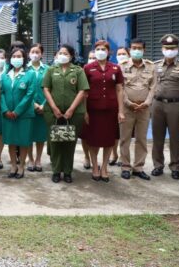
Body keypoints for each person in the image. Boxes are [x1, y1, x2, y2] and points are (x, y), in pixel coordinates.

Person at [43, 44, 89, 184]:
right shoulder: (51, 70)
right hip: (53, 113)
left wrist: (71, 110)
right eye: (60, 53)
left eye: (66, 53)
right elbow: (46, 89)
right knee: (55, 142)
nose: (62, 55)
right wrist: (54, 107)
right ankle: (56, 171)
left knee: (69, 142)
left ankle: (68, 171)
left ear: (71, 56)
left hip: (74, 114)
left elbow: (82, 91)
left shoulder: (78, 71)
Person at [83, 40, 125, 182]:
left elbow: (119, 90)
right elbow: (84, 92)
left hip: (110, 110)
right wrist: (85, 111)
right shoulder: (88, 68)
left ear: (109, 52)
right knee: (93, 140)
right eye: (98, 49)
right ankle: (95, 166)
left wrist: (121, 110)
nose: (100, 51)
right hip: (93, 110)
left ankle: (105, 167)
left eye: (103, 49)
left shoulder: (115, 68)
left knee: (109, 140)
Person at [151, 34, 179, 180]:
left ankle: (175, 167)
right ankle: (158, 165)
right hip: (157, 104)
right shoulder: (155, 65)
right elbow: (150, 85)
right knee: (157, 137)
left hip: (175, 105)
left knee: (175, 138)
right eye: (167, 48)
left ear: (177, 49)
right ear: (162, 48)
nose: (169, 50)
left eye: (172, 48)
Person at [118, 38, 155, 180]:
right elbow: (120, 87)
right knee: (125, 138)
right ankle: (125, 167)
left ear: (144, 50)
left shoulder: (151, 67)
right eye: (134, 48)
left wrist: (147, 102)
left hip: (144, 108)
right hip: (127, 108)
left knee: (141, 139)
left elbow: (153, 87)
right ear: (130, 49)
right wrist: (127, 102)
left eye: (139, 48)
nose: (136, 50)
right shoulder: (122, 66)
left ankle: (138, 167)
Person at [0, 48, 35, 178]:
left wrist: (17, 111)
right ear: (10, 58)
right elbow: (1, 93)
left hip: (24, 115)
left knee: (23, 141)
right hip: (7, 114)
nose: (16, 58)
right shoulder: (5, 75)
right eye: (14, 56)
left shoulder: (30, 74)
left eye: (19, 56)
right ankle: (13, 165)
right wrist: (5, 110)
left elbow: (30, 94)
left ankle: (21, 167)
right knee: (11, 140)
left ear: (24, 58)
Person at [26, 43, 48, 172]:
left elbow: (51, 89)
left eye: (37, 52)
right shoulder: (24, 69)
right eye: (32, 51)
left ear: (41, 54)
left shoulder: (48, 69)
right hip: (28, 107)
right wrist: (33, 104)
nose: (35, 54)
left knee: (40, 135)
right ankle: (30, 159)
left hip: (44, 107)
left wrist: (44, 104)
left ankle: (38, 159)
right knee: (28, 134)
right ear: (29, 53)